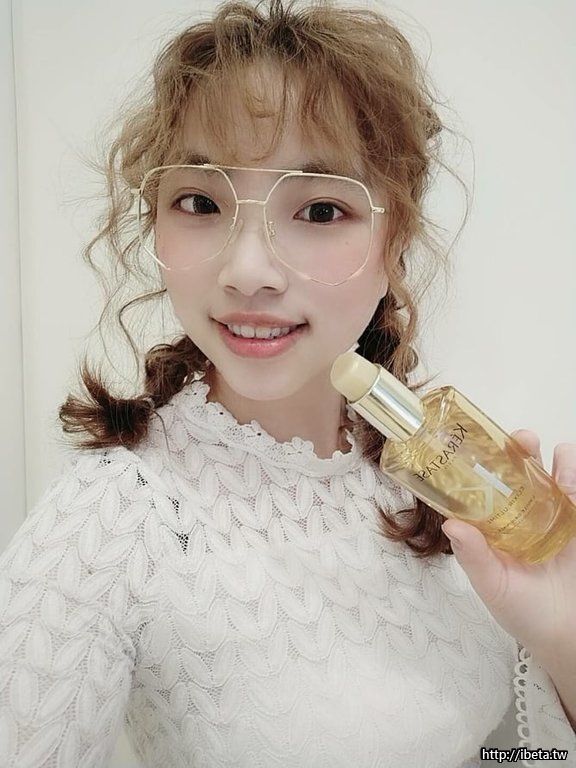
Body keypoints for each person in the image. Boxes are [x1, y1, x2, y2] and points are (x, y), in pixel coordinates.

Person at [1, 1, 575, 766]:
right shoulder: (107, 525)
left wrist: (563, 640)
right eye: (200, 202)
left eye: (320, 209)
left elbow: (513, 751)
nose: (248, 272)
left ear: (396, 240)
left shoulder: (443, 472)